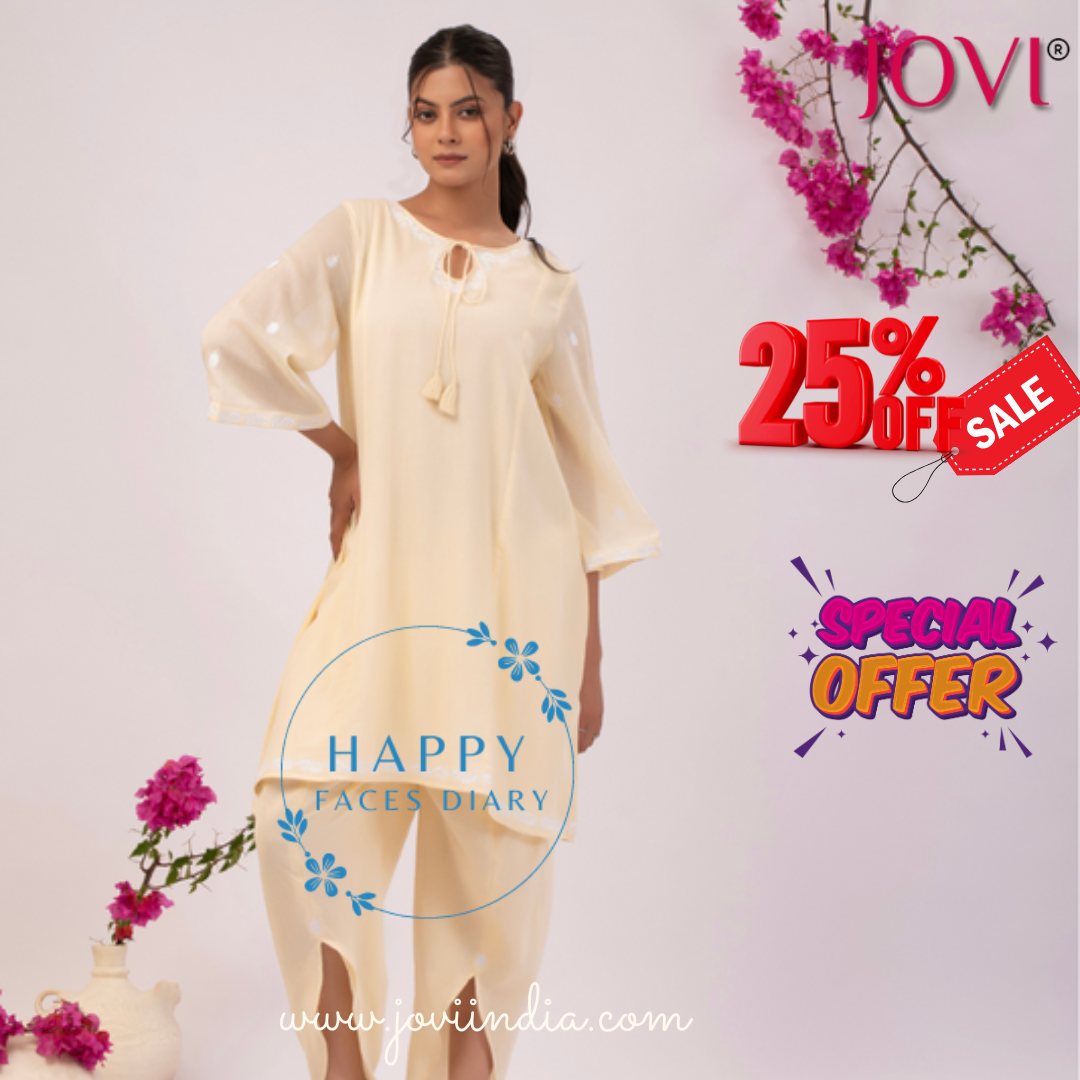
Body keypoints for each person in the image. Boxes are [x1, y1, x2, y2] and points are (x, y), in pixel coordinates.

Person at [200, 23, 660, 1080]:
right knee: (299, 818)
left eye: (467, 110)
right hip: (379, 600)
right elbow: (238, 337)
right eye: (425, 111)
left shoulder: (545, 287)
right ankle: (345, 1071)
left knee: (490, 884)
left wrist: (589, 658)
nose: (445, 132)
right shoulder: (360, 237)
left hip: (512, 614)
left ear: (509, 120)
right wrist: (341, 445)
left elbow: (584, 479)